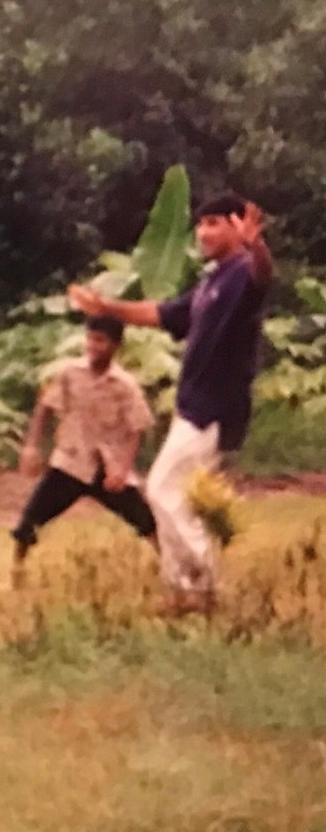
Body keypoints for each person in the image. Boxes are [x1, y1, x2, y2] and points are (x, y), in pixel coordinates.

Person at [69, 195, 272, 610]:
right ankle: (184, 590)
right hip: (192, 408)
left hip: (215, 410)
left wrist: (258, 248)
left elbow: (263, 279)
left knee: (163, 490)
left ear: (238, 227)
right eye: (200, 224)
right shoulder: (210, 284)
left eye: (214, 223)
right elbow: (161, 314)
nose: (203, 232)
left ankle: (203, 589)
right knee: (170, 494)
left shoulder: (241, 276)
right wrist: (108, 308)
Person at [11, 315, 157, 583]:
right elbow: (45, 406)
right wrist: (32, 446)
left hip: (107, 467)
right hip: (70, 461)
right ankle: (16, 577)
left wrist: (123, 471)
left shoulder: (125, 385)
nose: (93, 345)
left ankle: (174, 572)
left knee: (146, 521)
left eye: (101, 340)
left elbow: (137, 428)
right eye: (90, 338)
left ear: (116, 345)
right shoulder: (70, 373)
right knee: (29, 521)